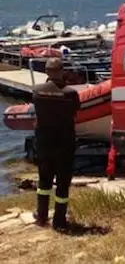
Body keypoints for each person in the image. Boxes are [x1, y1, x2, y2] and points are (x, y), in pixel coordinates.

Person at [32, 57, 81, 231]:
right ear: (62, 72)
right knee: (62, 182)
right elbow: (75, 115)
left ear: (46, 72)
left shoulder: (37, 91)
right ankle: (59, 220)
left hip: (45, 142)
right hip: (64, 143)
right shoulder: (71, 93)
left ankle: (42, 216)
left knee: (44, 181)